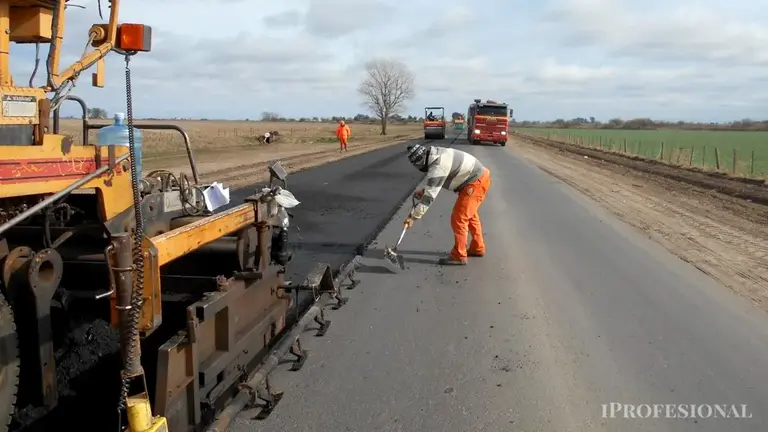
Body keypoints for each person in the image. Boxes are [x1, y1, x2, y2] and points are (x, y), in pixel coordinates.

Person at [404, 143, 492, 265]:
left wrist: (413, 217)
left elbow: (429, 198)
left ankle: (459, 255)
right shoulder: (437, 154)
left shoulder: (438, 167)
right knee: (471, 216)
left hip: (475, 182)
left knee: (459, 218)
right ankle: (478, 248)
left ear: (421, 161)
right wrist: (425, 190)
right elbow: (440, 180)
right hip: (480, 177)